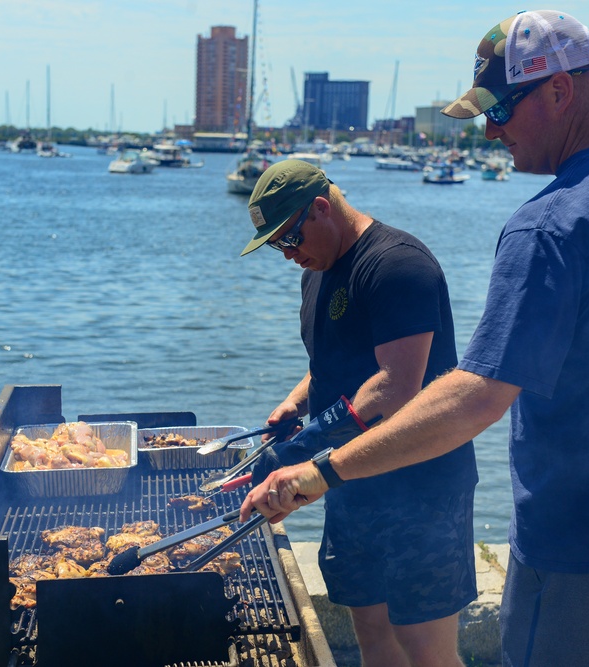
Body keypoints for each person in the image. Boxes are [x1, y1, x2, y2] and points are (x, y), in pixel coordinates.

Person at [242, 10, 589, 667]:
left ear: (560, 92)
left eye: (499, 107)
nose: (489, 129)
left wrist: (322, 470)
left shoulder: (548, 225)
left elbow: (475, 400)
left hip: (576, 543)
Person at [240, 159, 479, 667]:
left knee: (424, 648)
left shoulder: (397, 265)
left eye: (288, 239)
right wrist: (295, 404)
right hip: (349, 476)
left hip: (422, 485)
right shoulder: (319, 268)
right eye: (278, 246)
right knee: (371, 633)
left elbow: (396, 385)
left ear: (321, 209)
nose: (288, 255)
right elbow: (334, 362)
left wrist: (304, 447)